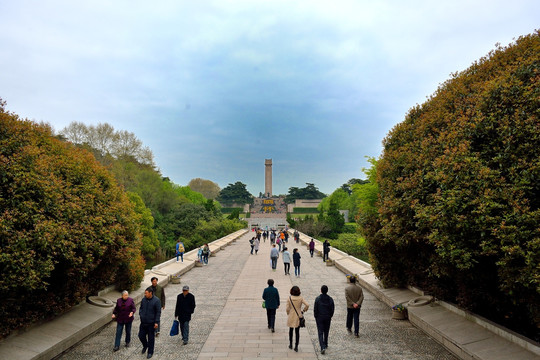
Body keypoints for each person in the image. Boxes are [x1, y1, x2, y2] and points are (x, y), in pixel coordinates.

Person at [138, 287, 161, 359]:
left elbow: (158, 312)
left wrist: (156, 322)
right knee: (141, 336)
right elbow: (141, 308)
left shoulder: (156, 300)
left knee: (151, 338)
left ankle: (150, 352)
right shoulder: (143, 300)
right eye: (145, 293)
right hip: (143, 322)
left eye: (146, 293)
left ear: (150, 293)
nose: (145, 294)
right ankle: (145, 345)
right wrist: (141, 314)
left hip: (151, 323)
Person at [286, 285, 309, 352]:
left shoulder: (289, 298)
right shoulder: (300, 298)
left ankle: (290, 344)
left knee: (291, 330)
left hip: (291, 315)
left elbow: (287, 308)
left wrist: (288, 313)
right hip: (298, 315)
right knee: (297, 332)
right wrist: (304, 310)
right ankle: (296, 346)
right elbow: (307, 305)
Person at [314, 285, 335, 354]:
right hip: (327, 317)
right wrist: (330, 316)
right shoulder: (330, 299)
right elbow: (332, 309)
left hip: (320, 317)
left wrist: (316, 316)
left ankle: (322, 346)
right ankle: (325, 343)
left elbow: (315, 309)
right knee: (326, 331)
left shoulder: (318, 299)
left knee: (320, 332)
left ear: (321, 290)